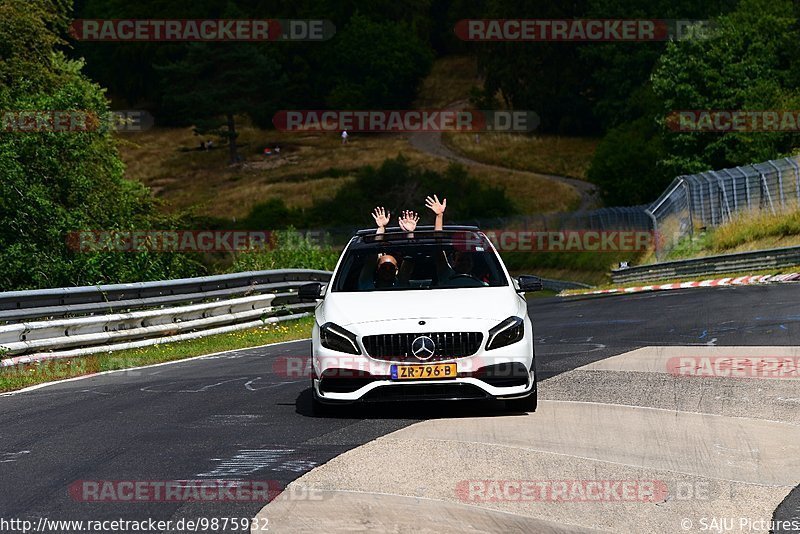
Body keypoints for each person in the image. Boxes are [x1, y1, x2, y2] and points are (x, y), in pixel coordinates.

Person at [357, 207, 418, 289]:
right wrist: (381, 228)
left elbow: (409, 259)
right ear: (377, 269)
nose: (387, 271)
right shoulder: (367, 285)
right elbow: (372, 256)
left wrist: (410, 233)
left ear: (396, 271)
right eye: (383, 267)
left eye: (391, 268)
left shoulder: (401, 286)